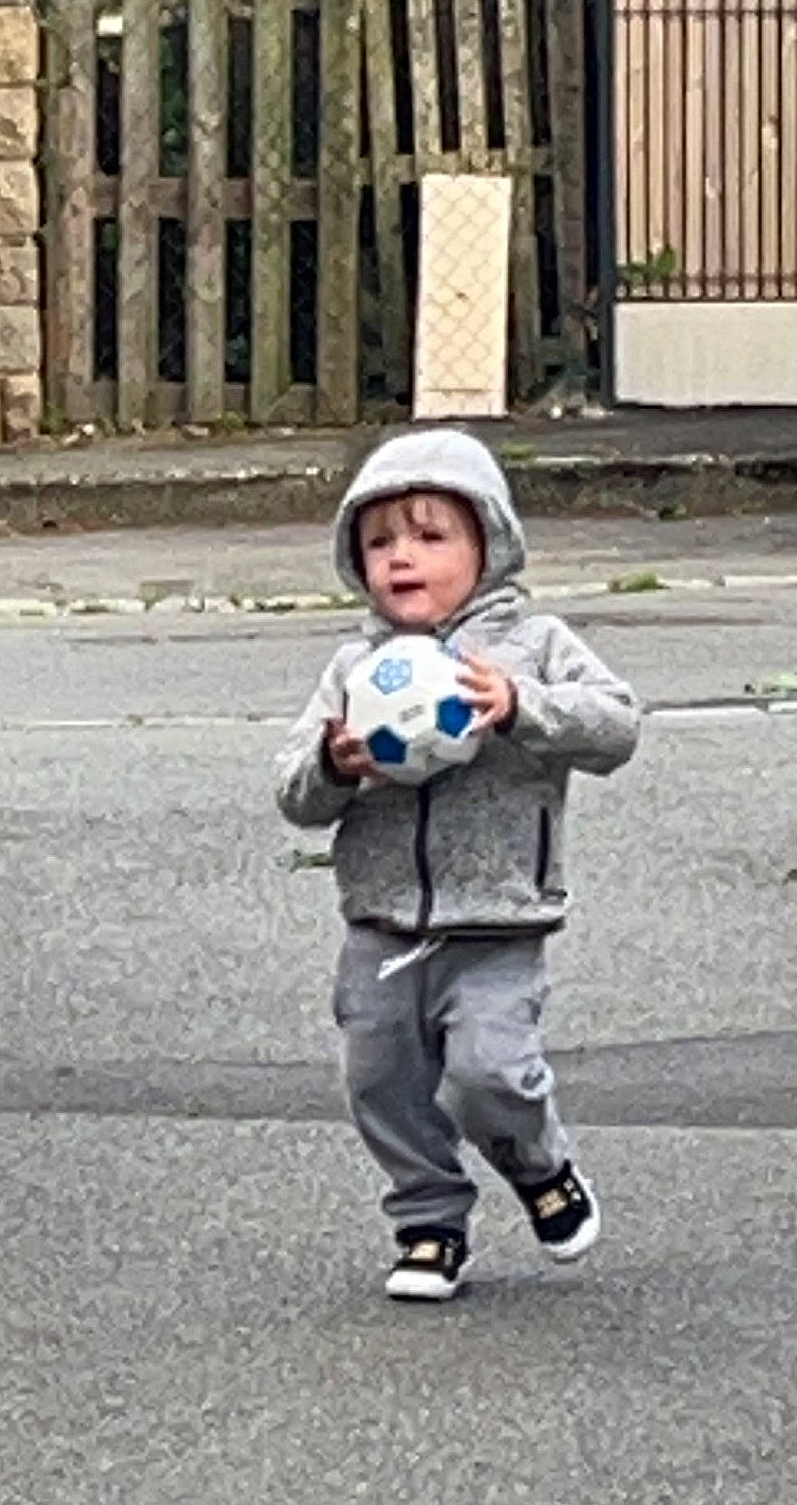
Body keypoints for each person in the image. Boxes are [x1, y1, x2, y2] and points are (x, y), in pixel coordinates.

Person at [274, 429, 641, 1302]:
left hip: (498, 917)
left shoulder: (536, 646)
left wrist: (521, 707)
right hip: (381, 923)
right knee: (379, 1083)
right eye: (379, 541)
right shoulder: (353, 669)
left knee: (487, 1074)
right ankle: (428, 1220)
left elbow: (616, 727)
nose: (402, 557)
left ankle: (539, 1165)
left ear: (489, 545)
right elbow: (293, 791)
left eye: (430, 535)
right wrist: (334, 765)